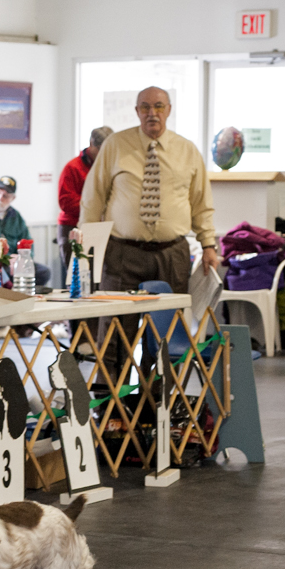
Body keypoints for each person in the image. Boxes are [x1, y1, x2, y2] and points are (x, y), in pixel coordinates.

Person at [78, 86, 217, 381]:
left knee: (168, 333)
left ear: (168, 110)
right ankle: (110, 408)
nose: (152, 113)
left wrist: (208, 244)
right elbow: (93, 198)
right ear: (137, 111)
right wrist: (86, 252)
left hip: (172, 253)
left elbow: (202, 202)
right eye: (145, 107)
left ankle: (159, 405)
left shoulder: (187, 150)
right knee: (116, 331)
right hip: (122, 253)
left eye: (158, 106)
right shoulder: (116, 145)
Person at [57, 125, 112, 274]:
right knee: (76, 276)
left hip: (101, 228)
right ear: (91, 145)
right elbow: (65, 201)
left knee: (99, 276)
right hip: (72, 227)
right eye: (101, 150)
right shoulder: (72, 167)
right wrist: (94, 205)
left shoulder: (109, 168)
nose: (104, 155)